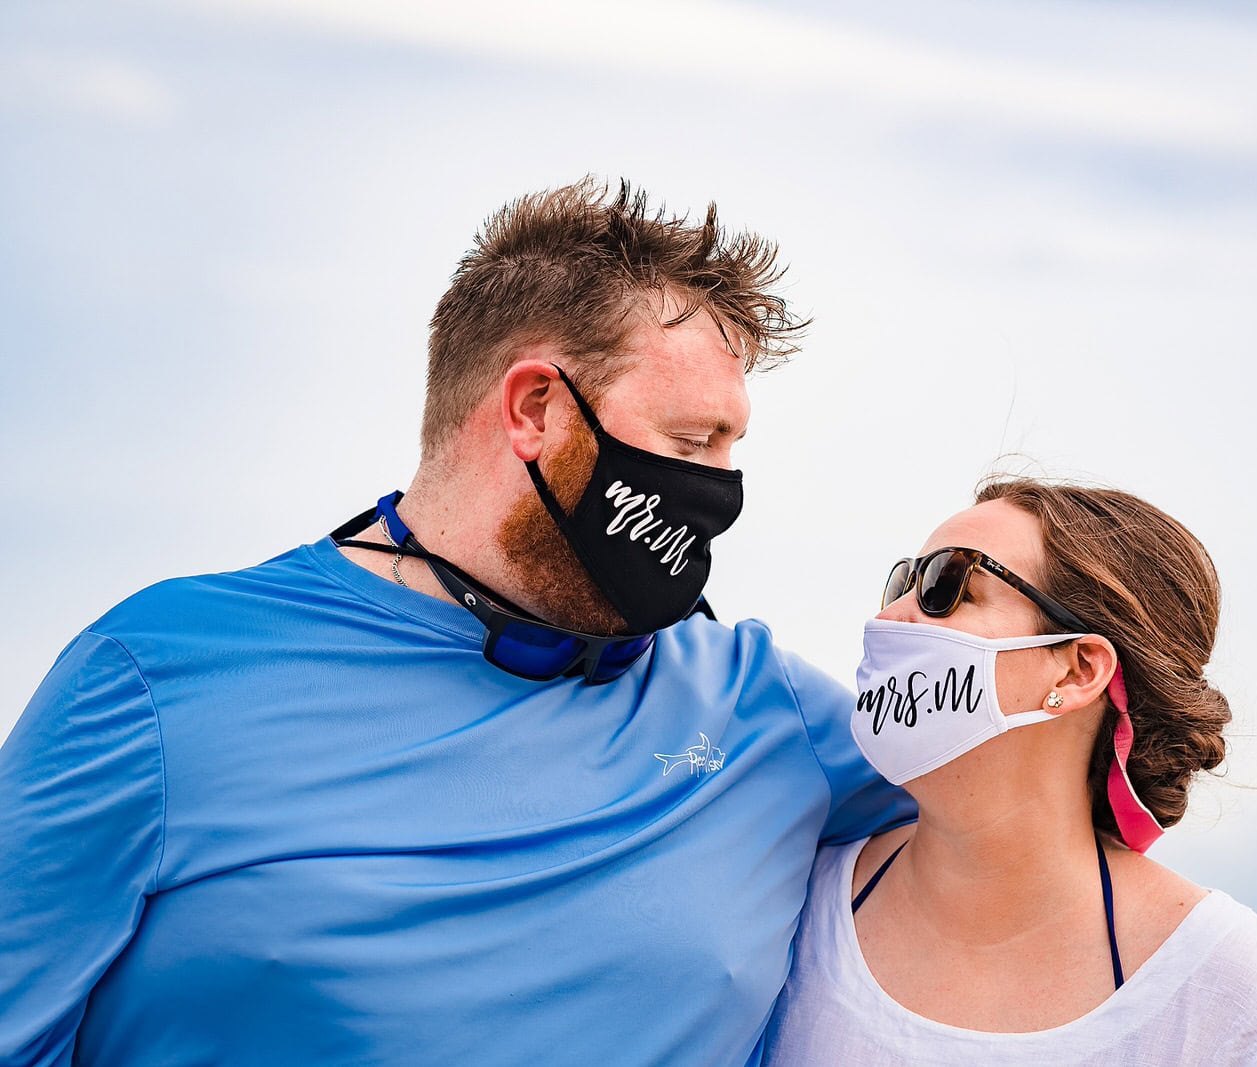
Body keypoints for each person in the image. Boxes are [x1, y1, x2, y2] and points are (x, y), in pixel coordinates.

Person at [0, 179, 915, 1067]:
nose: (718, 490)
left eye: (729, 447)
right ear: (534, 410)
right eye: (688, 444)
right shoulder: (157, 675)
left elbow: (1026, 805)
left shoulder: (764, 707)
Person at [764, 478, 1257, 1065]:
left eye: (946, 583)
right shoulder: (781, 897)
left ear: (1077, 670)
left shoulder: (1226, 988)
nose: (891, 615)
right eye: (903, 582)